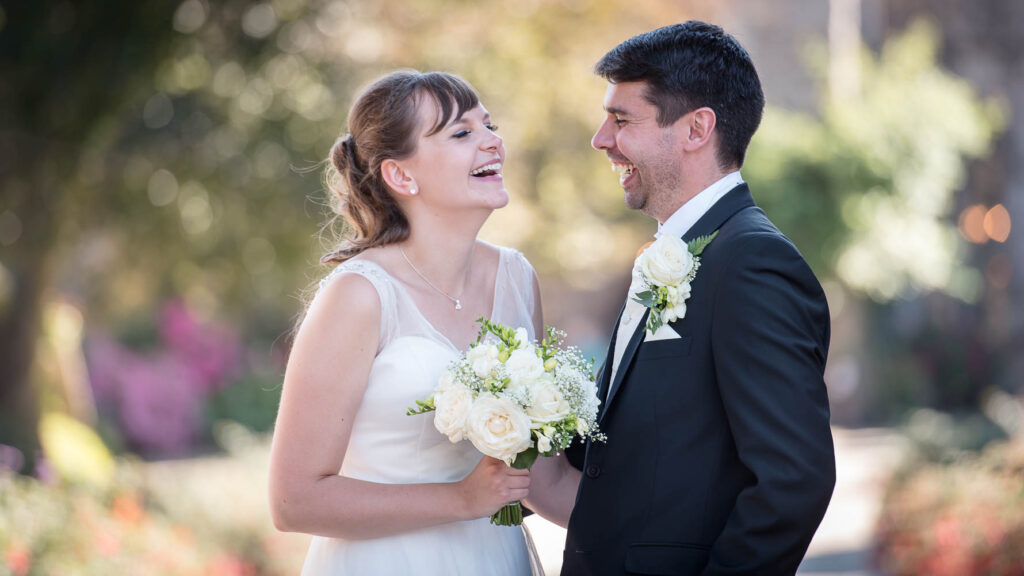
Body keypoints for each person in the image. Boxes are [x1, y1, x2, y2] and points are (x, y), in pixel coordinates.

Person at [526, 21, 836, 575]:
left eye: (621, 120)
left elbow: (793, 480)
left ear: (696, 129)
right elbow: (619, 463)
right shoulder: (668, 254)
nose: (601, 139)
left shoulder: (753, 263)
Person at [268, 70, 545, 576]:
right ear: (401, 176)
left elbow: (540, 472)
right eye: (463, 134)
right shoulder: (359, 295)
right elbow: (293, 501)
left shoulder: (518, 280)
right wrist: (461, 500)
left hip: (496, 560)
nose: (493, 143)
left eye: (490, 126)